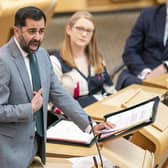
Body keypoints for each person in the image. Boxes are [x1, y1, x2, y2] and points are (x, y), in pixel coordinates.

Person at [0, 6, 114, 168]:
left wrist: (89, 126)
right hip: (9, 154)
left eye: (41, 31)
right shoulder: (3, 61)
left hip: (35, 148)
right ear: (17, 31)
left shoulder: (42, 55)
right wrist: (29, 108)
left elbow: (60, 95)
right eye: (32, 31)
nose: (38, 37)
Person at [50, 11, 116, 108]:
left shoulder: (97, 58)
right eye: (80, 29)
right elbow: (53, 103)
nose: (84, 34)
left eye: (89, 31)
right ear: (69, 29)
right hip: (73, 117)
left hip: (102, 112)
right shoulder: (55, 62)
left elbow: (110, 91)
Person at [116, 2, 168, 90]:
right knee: (128, 84)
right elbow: (130, 50)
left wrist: (165, 67)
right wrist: (145, 73)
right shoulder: (148, 15)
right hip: (143, 74)